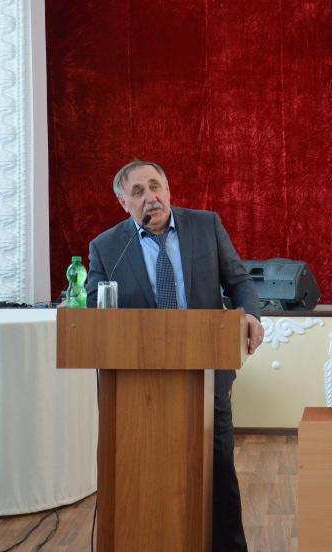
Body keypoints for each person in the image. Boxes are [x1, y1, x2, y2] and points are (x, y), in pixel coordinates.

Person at [85, 160, 264, 552]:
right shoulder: (107, 247)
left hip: (208, 369)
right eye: (138, 192)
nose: (150, 197)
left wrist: (250, 314)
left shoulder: (206, 226)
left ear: (167, 189)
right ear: (123, 203)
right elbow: (97, 306)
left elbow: (238, 280)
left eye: (156, 186)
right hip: (139, 383)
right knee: (146, 470)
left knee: (218, 468)